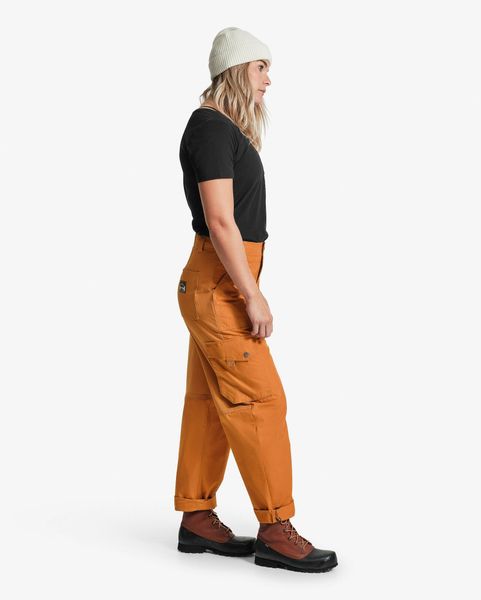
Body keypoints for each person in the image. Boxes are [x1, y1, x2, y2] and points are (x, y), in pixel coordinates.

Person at [174, 26, 338, 573]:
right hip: (220, 283)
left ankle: (196, 517)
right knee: (261, 402)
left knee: (209, 403)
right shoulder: (210, 128)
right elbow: (221, 220)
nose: (268, 79)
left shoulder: (222, 128)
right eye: (260, 67)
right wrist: (253, 295)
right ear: (235, 69)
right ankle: (275, 528)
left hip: (216, 280)